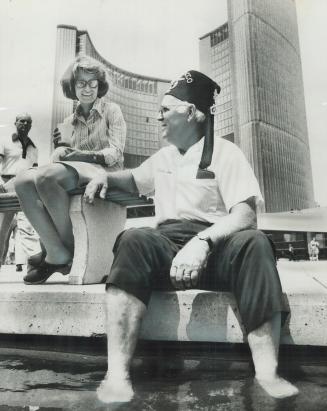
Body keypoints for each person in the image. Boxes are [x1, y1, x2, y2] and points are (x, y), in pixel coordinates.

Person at [84, 70, 299, 402]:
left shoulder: (227, 153)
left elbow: (246, 215)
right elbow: (132, 178)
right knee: (133, 239)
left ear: (193, 112)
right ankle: (117, 375)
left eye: (167, 108)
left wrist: (202, 243)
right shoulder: (164, 157)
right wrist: (104, 176)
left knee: (256, 243)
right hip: (166, 245)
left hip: (217, 247)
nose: (158, 115)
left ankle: (268, 373)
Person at [14, 55, 126, 284]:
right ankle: (57, 252)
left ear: (100, 85)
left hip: (105, 173)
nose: (87, 88)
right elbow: (63, 159)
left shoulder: (112, 111)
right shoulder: (69, 120)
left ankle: (72, 250)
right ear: (72, 87)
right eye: (81, 83)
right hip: (77, 172)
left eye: (92, 83)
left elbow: (116, 154)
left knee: (46, 176)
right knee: (23, 182)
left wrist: (79, 155)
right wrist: (60, 150)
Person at [0, 113, 41, 270]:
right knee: (2, 230)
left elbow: (34, 170)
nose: (24, 124)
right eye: (21, 121)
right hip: (6, 187)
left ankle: (35, 265)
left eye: (28, 122)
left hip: (25, 187)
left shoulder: (34, 147)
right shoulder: (5, 141)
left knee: (28, 227)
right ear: (15, 122)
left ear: (31, 125)